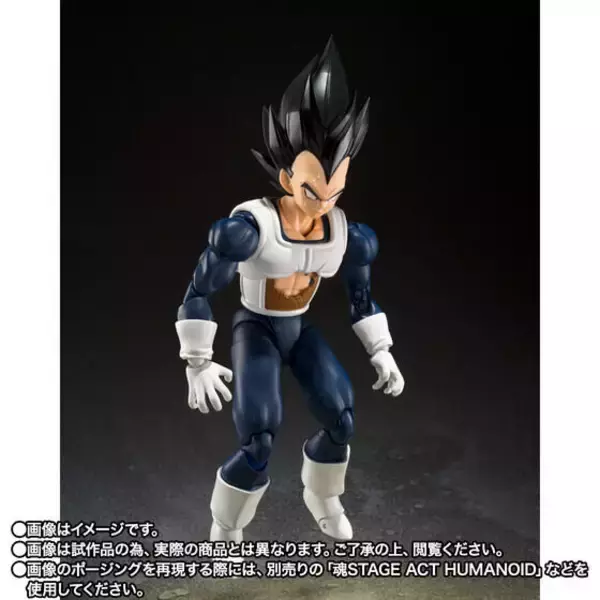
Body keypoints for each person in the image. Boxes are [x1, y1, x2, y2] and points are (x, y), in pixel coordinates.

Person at [175, 37, 405, 543]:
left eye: (335, 191)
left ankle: (322, 495)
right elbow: (199, 289)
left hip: (298, 331)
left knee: (341, 416)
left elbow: (361, 298)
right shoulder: (248, 229)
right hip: (255, 329)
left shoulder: (348, 235)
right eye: (311, 190)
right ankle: (225, 526)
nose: (324, 203)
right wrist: (197, 361)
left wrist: (381, 350)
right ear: (285, 176)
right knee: (259, 436)